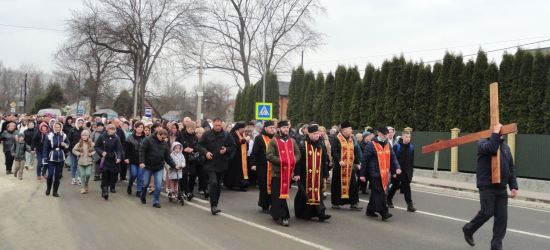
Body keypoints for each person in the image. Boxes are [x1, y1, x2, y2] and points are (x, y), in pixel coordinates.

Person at [462, 124, 518, 250]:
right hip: (487, 185)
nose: (501, 132)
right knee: (487, 212)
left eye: (502, 130)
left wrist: (513, 186)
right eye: (499, 129)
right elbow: (492, 149)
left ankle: (496, 246)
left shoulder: (506, 147)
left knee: (502, 218)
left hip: (501, 187)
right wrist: (495, 134)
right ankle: (468, 229)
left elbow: (511, 168)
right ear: (492, 131)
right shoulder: (483, 142)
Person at [360, 126, 401, 220]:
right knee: (379, 193)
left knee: (378, 192)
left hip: (385, 173)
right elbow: (365, 160)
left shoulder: (387, 144)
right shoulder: (371, 145)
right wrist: (362, 174)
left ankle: (370, 210)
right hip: (375, 173)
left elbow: (393, 157)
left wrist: (397, 167)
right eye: (383, 134)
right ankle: (383, 212)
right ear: (378, 133)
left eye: (386, 134)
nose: (385, 136)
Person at [196, 118, 236, 215]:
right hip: (210, 163)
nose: (218, 127)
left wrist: (226, 149)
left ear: (221, 125)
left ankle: (215, 204)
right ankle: (213, 205)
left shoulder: (227, 134)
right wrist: (206, 153)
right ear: (213, 125)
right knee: (213, 183)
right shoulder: (207, 134)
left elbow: (233, 146)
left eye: (219, 125)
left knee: (218, 185)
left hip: (222, 164)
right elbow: (199, 146)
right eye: (216, 125)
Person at [266, 120, 300, 227]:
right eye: (284, 127)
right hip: (278, 173)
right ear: (279, 129)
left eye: (287, 127)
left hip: (288, 173)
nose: (286, 129)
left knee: (281, 196)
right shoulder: (273, 141)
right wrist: (283, 160)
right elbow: (269, 156)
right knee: (279, 195)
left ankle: (275, 212)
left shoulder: (292, 141)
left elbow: (297, 153)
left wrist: (292, 160)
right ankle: (283, 216)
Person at [294, 125, 331, 222]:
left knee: (317, 193)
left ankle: (320, 213)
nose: (317, 135)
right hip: (305, 174)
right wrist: (296, 173)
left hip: (317, 175)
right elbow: (298, 160)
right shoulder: (302, 144)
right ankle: (302, 212)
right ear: (308, 134)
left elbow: (323, 160)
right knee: (304, 194)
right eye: (314, 134)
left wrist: (325, 174)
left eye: (318, 133)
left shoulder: (321, 144)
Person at [139, 129, 177, 208]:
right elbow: (142, 151)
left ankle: (156, 201)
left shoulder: (164, 144)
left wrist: (173, 165)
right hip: (148, 166)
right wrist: (142, 162)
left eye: (164, 138)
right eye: (162, 138)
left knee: (159, 185)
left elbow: (167, 156)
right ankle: (142, 195)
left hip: (159, 167)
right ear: (158, 134)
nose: (163, 139)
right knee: (145, 184)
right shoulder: (148, 140)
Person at [329, 121, 362, 211]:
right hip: (339, 167)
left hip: (350, 167)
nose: (351, 130)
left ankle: (354, 203)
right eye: (350, 129)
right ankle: (336, 202)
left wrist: (358, 162)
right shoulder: (336, 138)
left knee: (352, 185)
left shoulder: (352, 139)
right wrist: (339, 160)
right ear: (344, 130)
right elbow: (334, 151)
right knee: (337, 185)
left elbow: (354, 152)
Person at [387, 131, 416, 212]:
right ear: (402, 137)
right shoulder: (397, 147)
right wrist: (393, 172)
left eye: (409, 137)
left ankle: (409, 205)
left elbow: (411, 162)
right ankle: (388, 199)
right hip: (397, 171)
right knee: (395, 186)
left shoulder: (411, 148)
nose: (408, 139)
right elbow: (391, 160)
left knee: (407, 188)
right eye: (406, 137)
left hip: (406, 172)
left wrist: (410, 173)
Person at [250, 120, 275, 214]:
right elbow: (254, 152)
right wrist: (253, 164)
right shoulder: (259, 138)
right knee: (264, 186)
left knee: (273, 186)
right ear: (265, 128)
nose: (272, 129)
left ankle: (273, 204)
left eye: (273, 128)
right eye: (270, 128)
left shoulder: (275, 138)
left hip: (273, 166)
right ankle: (264, 205)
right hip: (262, 166)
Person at [94, 124, 123, 200]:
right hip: (104, 159)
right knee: (105, 175)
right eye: (111, 129)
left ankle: (108, 186)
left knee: (112, 175)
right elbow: (96, 146)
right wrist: (101, 152)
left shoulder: (116, 138)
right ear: (107, 129)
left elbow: (119, 149)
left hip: (113, 159)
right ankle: (105, 190)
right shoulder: (102, 137)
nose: (112, 131)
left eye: (113, 129)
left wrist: (118, 157)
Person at [43, 122, 70, 197]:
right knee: (50, 174)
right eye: (56, 127)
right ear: (53, 127)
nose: (57, 128)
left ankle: (55, 191)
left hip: (60, 157)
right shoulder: (49, 135)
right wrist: (45, 159)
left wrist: (65, 145)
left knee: (58, 175)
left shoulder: (63, 135)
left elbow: (68, 144)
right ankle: (48, 188)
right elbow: (45, 148)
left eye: (59, 127)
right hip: (51, 156)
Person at [224, 121, 250, 191]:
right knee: (233, 170)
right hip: (235, 156)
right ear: (239, 128)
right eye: (243, 128)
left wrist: (247, 142)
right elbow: (235, 142)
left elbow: (244, 142)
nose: (244, 129)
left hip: (242, 155)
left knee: (241, 170)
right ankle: (231, 184)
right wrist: (244, 140)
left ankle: (242, 184)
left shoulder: (243, 134)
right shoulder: (233, 134)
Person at [176, 122, 198, 201]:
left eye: (193, 129)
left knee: (192, 174)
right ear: (187, 128)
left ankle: (190, 190)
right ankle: (186, 191)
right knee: (184, 174)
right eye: (191, 129)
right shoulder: (181, 135)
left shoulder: (195, 137)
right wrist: (183, 149)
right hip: (183, 157)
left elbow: (197, 146)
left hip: (191, 157)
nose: (192, 131)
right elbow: (176, 145)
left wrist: (193, 149)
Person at [124, 122, 146, 197]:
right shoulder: (130, 137)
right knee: (133, 174)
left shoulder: (145, 138)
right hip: (132, 159)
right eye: (138, 127)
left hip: (141, 160)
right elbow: (126, 149)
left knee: (140, 175)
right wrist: (126, 158)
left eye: (141, 127)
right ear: (135, 128)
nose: (140, 128)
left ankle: (138, 190)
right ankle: (129, 185)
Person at [189, 127, 208, 197]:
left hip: (202, 160)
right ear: (196, 133)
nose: (201, 134)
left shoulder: (204, 141)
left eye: (202, 133)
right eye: (199, 133)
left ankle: (204, 189)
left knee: (203, 175)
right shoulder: (193, 140)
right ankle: (190, 190)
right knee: (192, 176)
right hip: (194, 160)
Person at [68, 118, 85, 185]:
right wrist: (69, 149)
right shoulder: (72, 130)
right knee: (73, 165)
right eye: (79, 123)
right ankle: (73, 178)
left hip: (81, 150)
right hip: (73, 150)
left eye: (81, 123)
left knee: (80, 164)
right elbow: (69, 140)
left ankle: (79, 178)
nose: (80, 124)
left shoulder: (83, 131)